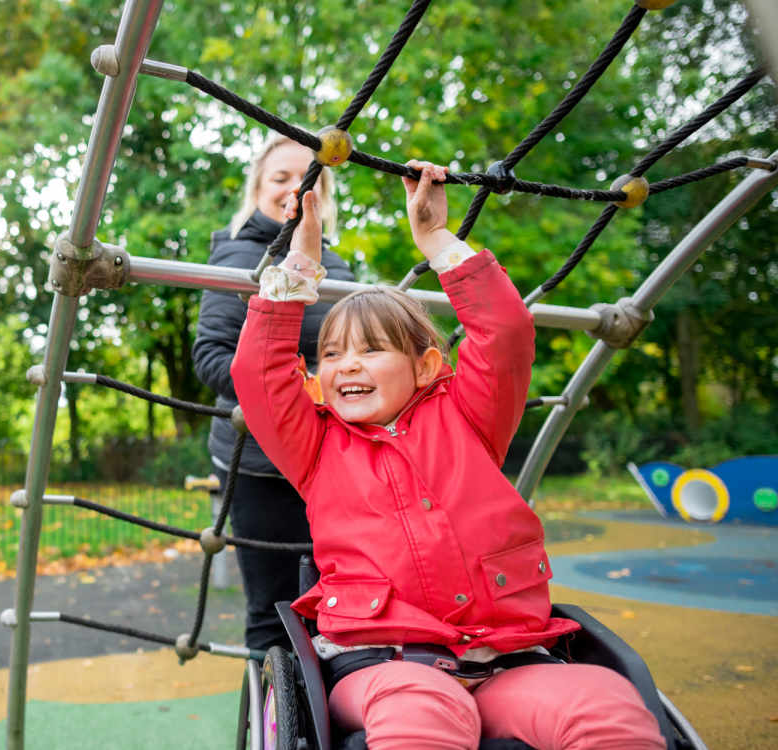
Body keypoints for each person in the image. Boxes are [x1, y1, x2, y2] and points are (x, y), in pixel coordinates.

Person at [229, 160, 666, 749]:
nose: (346, 365)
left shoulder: (468, 417)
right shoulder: (317, 444)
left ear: (427, 366)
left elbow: (504, 332)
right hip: (384, 664)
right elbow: (257, 373)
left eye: (371, 350)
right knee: (424, 710)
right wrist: (301, 264)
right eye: (331, 356)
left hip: (507, 659)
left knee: (603, 703)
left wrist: (436, 238)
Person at [193, 133, 356, 652]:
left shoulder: (342, 269)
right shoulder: (240, 258)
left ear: (323, 196)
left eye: (307, 180)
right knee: (274, 610)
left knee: (336, 601)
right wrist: (296, 393)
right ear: (258, 188)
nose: (293, 190)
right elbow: (212, 357)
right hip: (260, 461)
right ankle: (279, 726)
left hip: (329, 456)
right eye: (280, 178)